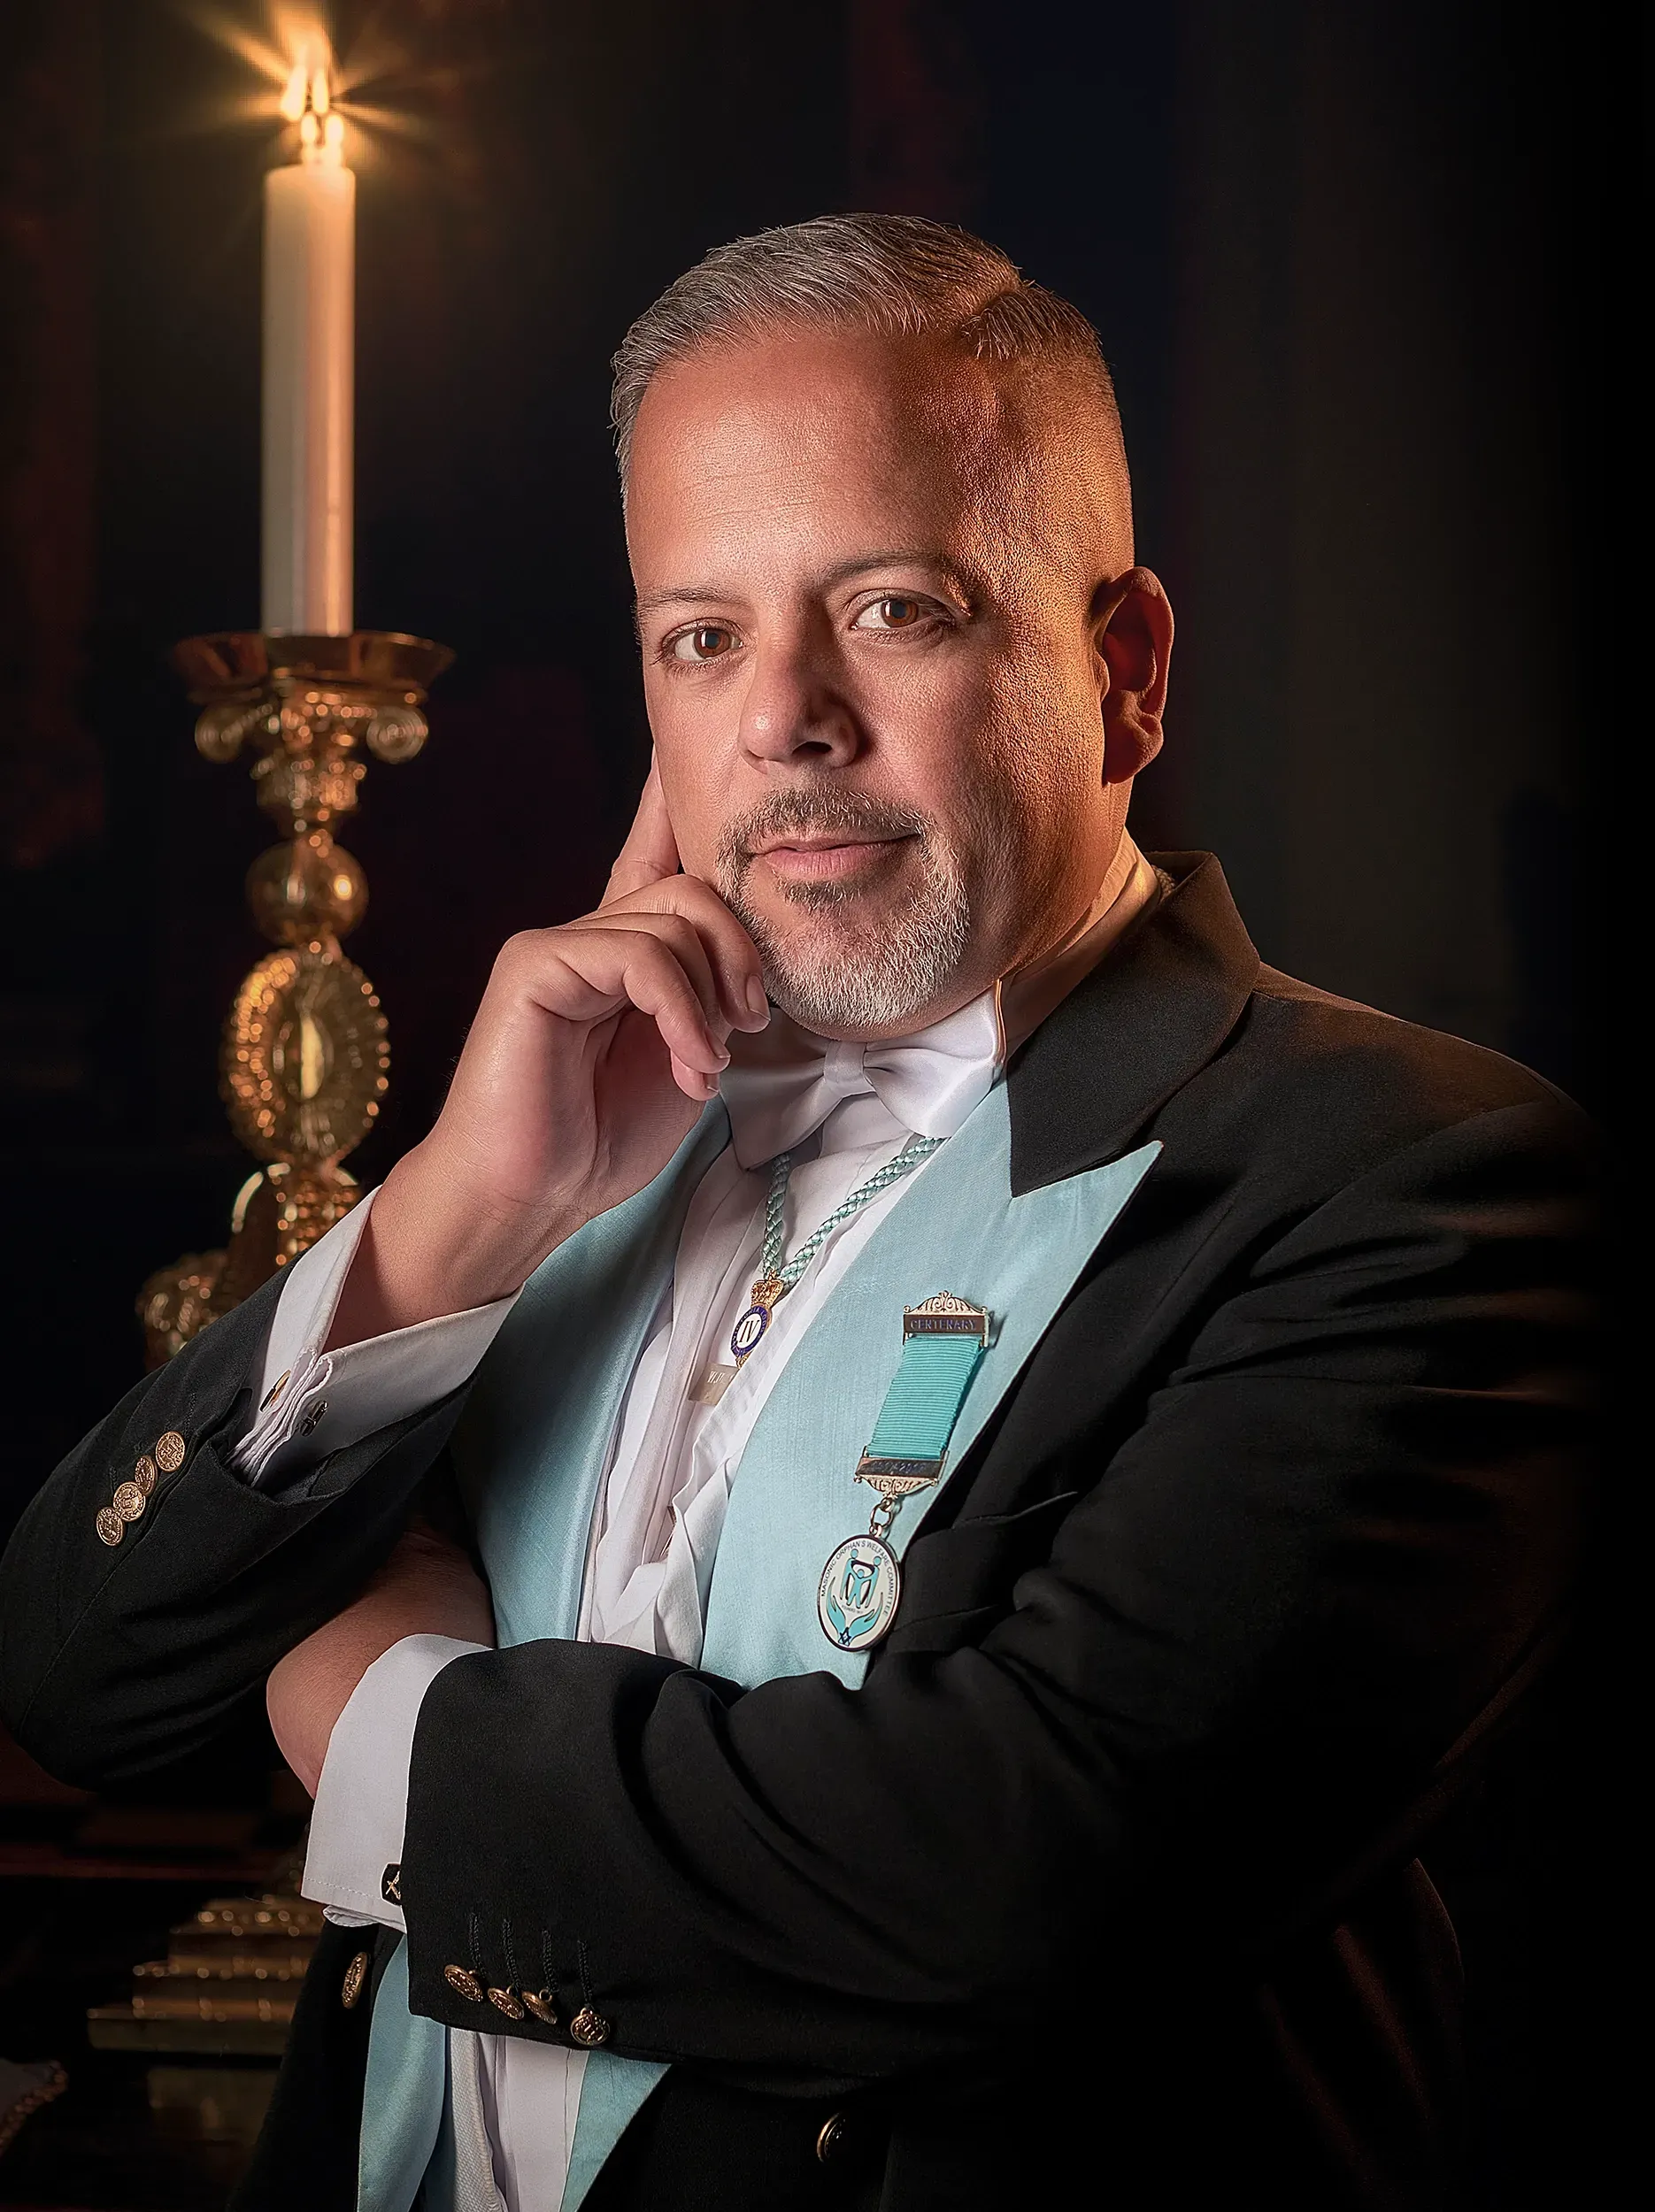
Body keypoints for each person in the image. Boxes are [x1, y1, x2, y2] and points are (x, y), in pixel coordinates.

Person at [0, 215, 1596, 2212]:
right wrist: (447, 1216)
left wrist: (380, 1724)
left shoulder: (1415, 1182)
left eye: (892, 608)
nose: (785, 716)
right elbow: (73, 1671)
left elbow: (994, 1881)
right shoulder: (564, 1134)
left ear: (1122, 670)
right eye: (703, 633)